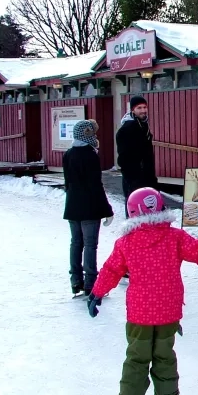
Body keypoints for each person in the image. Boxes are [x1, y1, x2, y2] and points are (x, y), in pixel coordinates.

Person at [86, 187, 198, 395]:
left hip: (139, 314)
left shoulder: (126, 243)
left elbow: (111, 270)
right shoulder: (174, 237)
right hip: (168, 311)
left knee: (137, 357)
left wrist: (96, 293)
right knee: (165, 354)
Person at [62, 119, 113, 296]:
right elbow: (96, 185)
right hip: (89, 208)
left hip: (72, 207)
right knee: (90, 245)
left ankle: (75, 281)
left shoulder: (68, 154)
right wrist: (107, 210)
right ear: (88, 134)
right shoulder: (91, 155)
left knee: (76, 243)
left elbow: (67, 182)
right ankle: (91, 283)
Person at [116, 96, 158, 218]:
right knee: (136, 212)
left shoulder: (143, 126)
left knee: (149, 213)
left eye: (144, 107)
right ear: (133, 110)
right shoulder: (127, 128)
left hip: (147, 177)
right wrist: (133, 177)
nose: (143, 110)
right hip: (134, 179)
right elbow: (123, 158)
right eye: (139, 108)